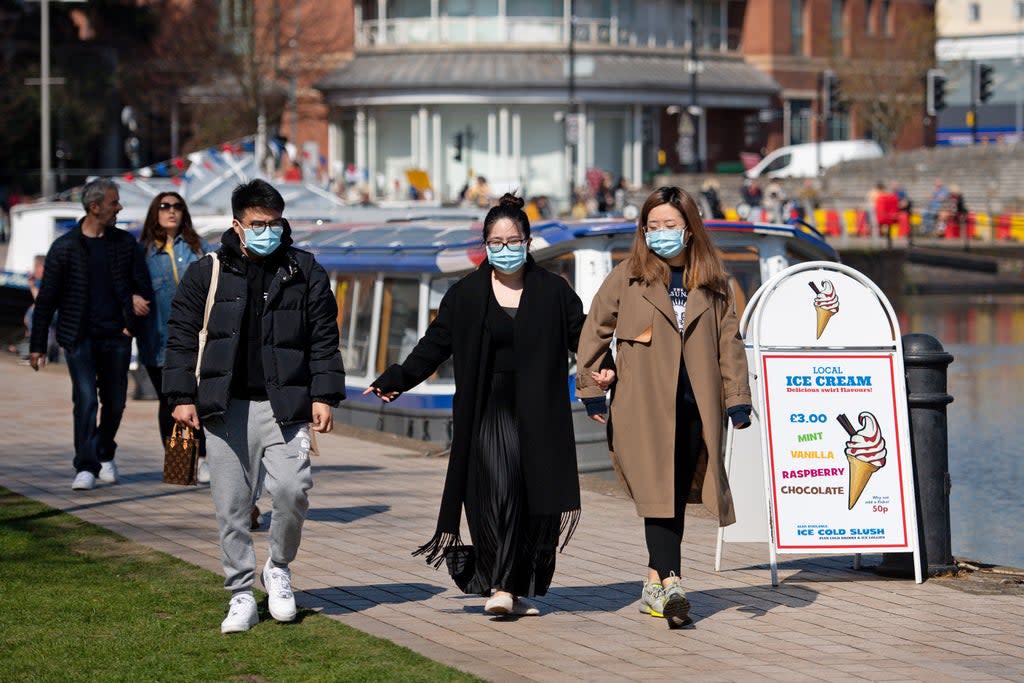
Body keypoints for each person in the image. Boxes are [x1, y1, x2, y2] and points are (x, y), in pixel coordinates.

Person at [365, 193, 585, 618]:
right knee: (497, 490)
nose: (505, 249)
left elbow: (585, 339)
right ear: (486, 245)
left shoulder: (554, 292)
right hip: (487, 406)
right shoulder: (466, 294)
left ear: (528, 240)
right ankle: (499, 585)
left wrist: (609, 366)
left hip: (540, 409)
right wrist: (398, 379)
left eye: (513, 239)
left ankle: (516, 586)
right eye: (496, 241)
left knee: (530, 498)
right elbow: (434, 344)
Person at [162, 179, 346, 633]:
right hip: (225, 407)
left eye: (275, 224)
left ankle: (278, 568)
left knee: (292, 490)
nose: (268, 231)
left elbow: (324, 337)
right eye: (258, 224)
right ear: (237, 225)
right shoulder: (208, 271)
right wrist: (182, 396)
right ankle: (240, 592)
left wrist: (324, 395)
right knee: (232, 504)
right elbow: (182, 334)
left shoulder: (305, 270)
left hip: (285, 404)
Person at [575, 186, 752, 629]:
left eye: (669, 226)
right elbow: (594, 330)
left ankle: (654, 585)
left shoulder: (714, 282)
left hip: (696, 407)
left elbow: (729, 344)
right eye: (652, 227)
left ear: (689, 229)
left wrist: (737, 400)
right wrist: (592, 386)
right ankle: (673, 584)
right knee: (659, 496)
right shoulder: (627, 277)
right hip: (643, 408)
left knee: (673, 497)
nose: (660, 234)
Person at [29, 178, 153, 490]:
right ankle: (85, 466)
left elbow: (143, 286)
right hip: (78, 338)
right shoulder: (65, 248)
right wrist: (37, 345)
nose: (119, 207)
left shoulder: (125, 245)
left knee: (116, 403)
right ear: (94, 207)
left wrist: (134, 308)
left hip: (117, 336)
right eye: (114, 202)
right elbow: (46, 300)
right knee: (85, 400)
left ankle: (103, 451)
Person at [137, 193, 212, 478]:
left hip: (198, 339)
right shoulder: (143, 253)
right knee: (170, 401)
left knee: (200, 399)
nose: (171, 211)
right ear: (155, 213)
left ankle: (202, 457)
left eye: (177, 206)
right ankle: (180, 460)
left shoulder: (199, 247)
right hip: (158, 340)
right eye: (165, 207)